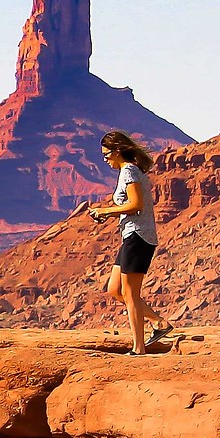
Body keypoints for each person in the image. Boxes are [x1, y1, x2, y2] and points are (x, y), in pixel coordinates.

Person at [75, 130, 169, 353]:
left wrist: (107, 211)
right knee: (114, 289)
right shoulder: (129, 171)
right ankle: (159, 322)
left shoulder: (129, 171)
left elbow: (136, 205)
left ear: (118, 152)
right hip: (131, 236)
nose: (105, 159)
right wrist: (108, 214)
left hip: (138, 236)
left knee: (130, 294)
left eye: (107, 154)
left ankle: (139, 348)